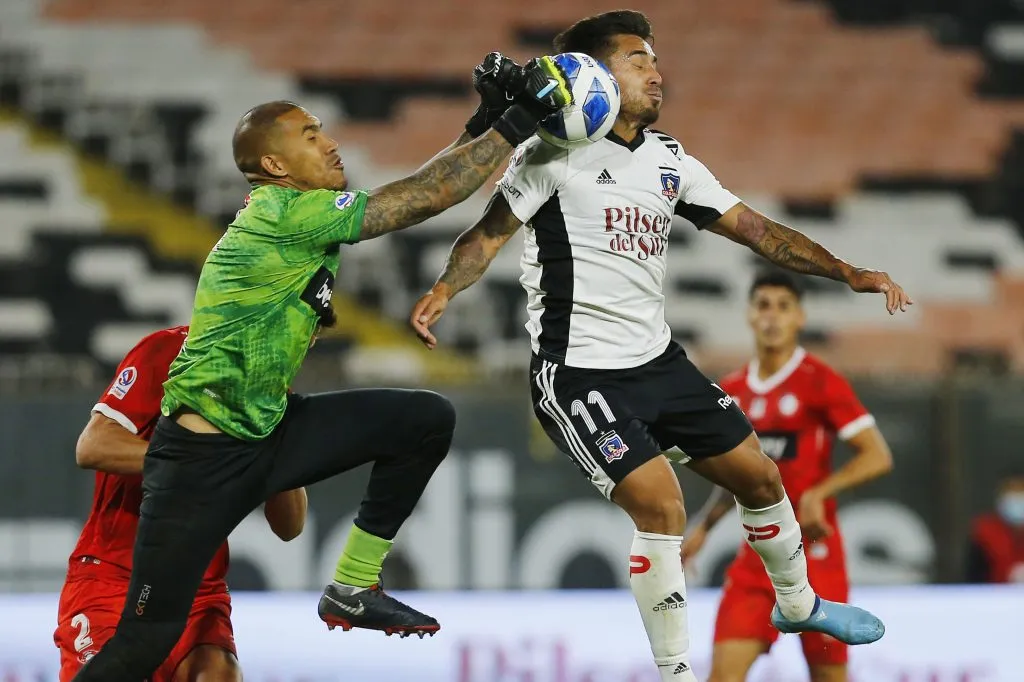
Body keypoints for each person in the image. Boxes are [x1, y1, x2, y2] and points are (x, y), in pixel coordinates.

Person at [410, 11, 911, 682]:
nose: (655, 70)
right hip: (579, 372)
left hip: (658, 363)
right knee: (661, 503)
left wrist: (846, 270)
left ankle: (798, 603)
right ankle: (676, 672)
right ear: (594, 74)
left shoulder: (669, 157)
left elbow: (757, 230)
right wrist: (446, 288)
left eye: (654, 58)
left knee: (761, 478)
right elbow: (489, 234)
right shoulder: (550, 154)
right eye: (637, 58)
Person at [71, 53, 574, 681]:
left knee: (423, 419)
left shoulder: (300, 215)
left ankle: (353, 586)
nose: (331, 143)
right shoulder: (280, 214)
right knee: (143, 645)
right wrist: (520, 122)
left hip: (266, 433)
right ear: (276, 167)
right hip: (198, 459)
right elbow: (423, 198)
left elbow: (425, 183)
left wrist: (487, 121)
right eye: (311, 135)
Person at [54, 325, 308, 682]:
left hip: (196, 590)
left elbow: (290, 525)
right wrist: (203, 463)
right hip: (113, 576)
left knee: (219, 676)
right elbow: (94, 445)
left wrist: (278, 449)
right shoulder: (170, 351)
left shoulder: (271, 389)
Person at [680, 271, 895, 682]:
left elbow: (877, 456)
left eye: (783, 306)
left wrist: (819, 492)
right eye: (763, 305)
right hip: (757, 561)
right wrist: (704, 528)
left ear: (799, 317)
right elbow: (739, 477)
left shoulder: (820, 381)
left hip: (817, 557)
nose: (773, 316)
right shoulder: (732, 391)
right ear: (749, 315)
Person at [966, 472, 1024, 583]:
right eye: (1012, 491)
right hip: (994, 597)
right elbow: (974, 580)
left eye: (1021, 491)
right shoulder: (984, 534)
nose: (1017, 498)